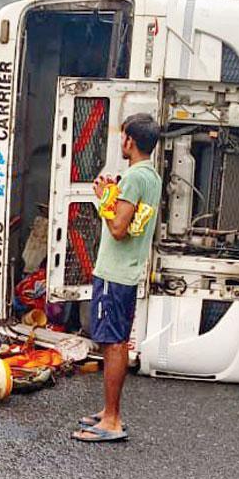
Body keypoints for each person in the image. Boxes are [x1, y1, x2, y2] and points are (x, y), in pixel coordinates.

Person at [71, 113, 162, 442]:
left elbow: (119, 229)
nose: (120, 142)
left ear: (130, 141)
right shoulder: (151, 176)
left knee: (112, 344)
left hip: (114, 273)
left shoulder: (134, 178)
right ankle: (109, 411)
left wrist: (103, 199)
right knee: (116, 341)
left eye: (122, 137)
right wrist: (112, 195)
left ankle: (111, 419)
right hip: (127, 272)